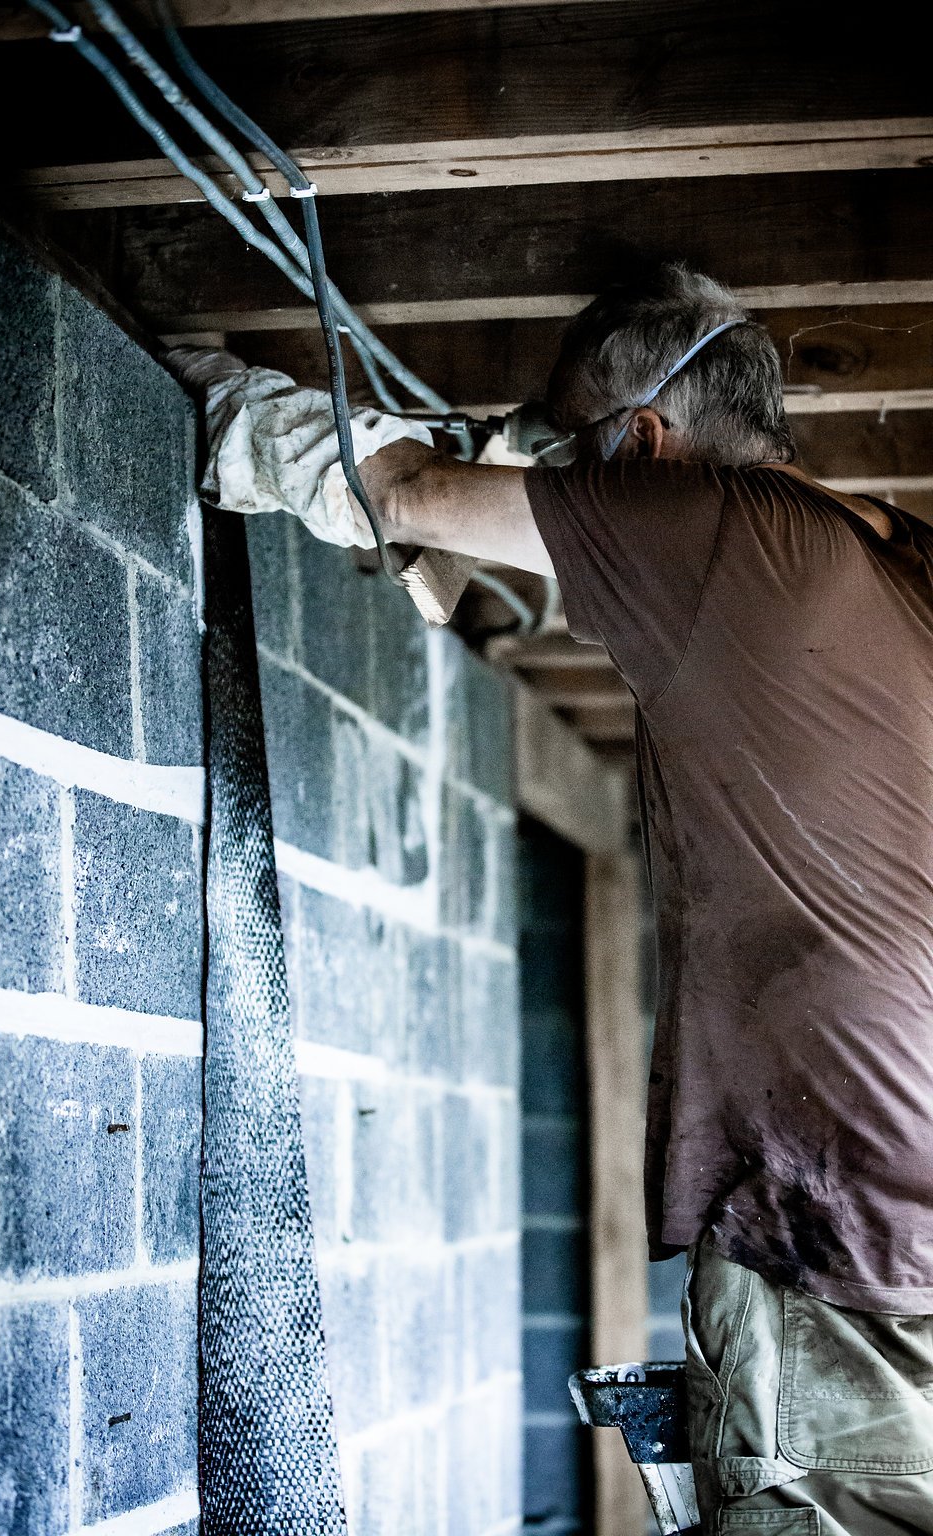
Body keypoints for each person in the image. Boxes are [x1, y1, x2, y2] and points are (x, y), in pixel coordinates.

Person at [173, 263, 933, 1534]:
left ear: (640, 443)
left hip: (838, 1209)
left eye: (573, 454)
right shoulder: (896, 561)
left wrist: (203, 392)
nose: (567, 485)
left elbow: (408, 491)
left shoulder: (719, 530)